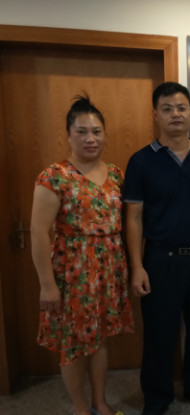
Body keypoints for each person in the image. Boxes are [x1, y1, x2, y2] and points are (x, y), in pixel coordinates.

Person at [124, 82, 190, 415]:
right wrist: (137, 266)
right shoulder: (141, 161)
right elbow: (134, 217)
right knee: (159, 334)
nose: (176, 114)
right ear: (155, 114)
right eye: (167, 108)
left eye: (182, 107)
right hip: (160, 260)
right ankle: (157, 398)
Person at [31, 95, 133, 415]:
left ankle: (100, 402)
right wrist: (47, 285)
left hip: (109, 269)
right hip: (72, 271)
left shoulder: (117, 174)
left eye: (97, 131)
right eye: (82, 131)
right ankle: (79, 407)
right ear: (69, 134)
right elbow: (38, 232)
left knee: (99, 338)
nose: (91, 138)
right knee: (73, 344)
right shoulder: (54, 176)